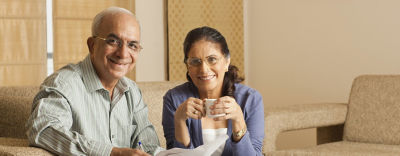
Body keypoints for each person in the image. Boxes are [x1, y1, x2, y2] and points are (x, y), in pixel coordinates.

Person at [26, 7, 161, 156]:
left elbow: (149, 146)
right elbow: (43, 130)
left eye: (132, 45)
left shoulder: (132, 91)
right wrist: (112, 153)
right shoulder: (64, 83)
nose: (123, 54)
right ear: (92, 45)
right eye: (113, 41)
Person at [162, 26, 265, 156]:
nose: (204, 69)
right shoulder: (174, 99)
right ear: (188, 66)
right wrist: (179, 120)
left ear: (226, 61)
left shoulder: (250, 99)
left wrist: (238, 119)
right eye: (195, 61)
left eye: (212, 59)